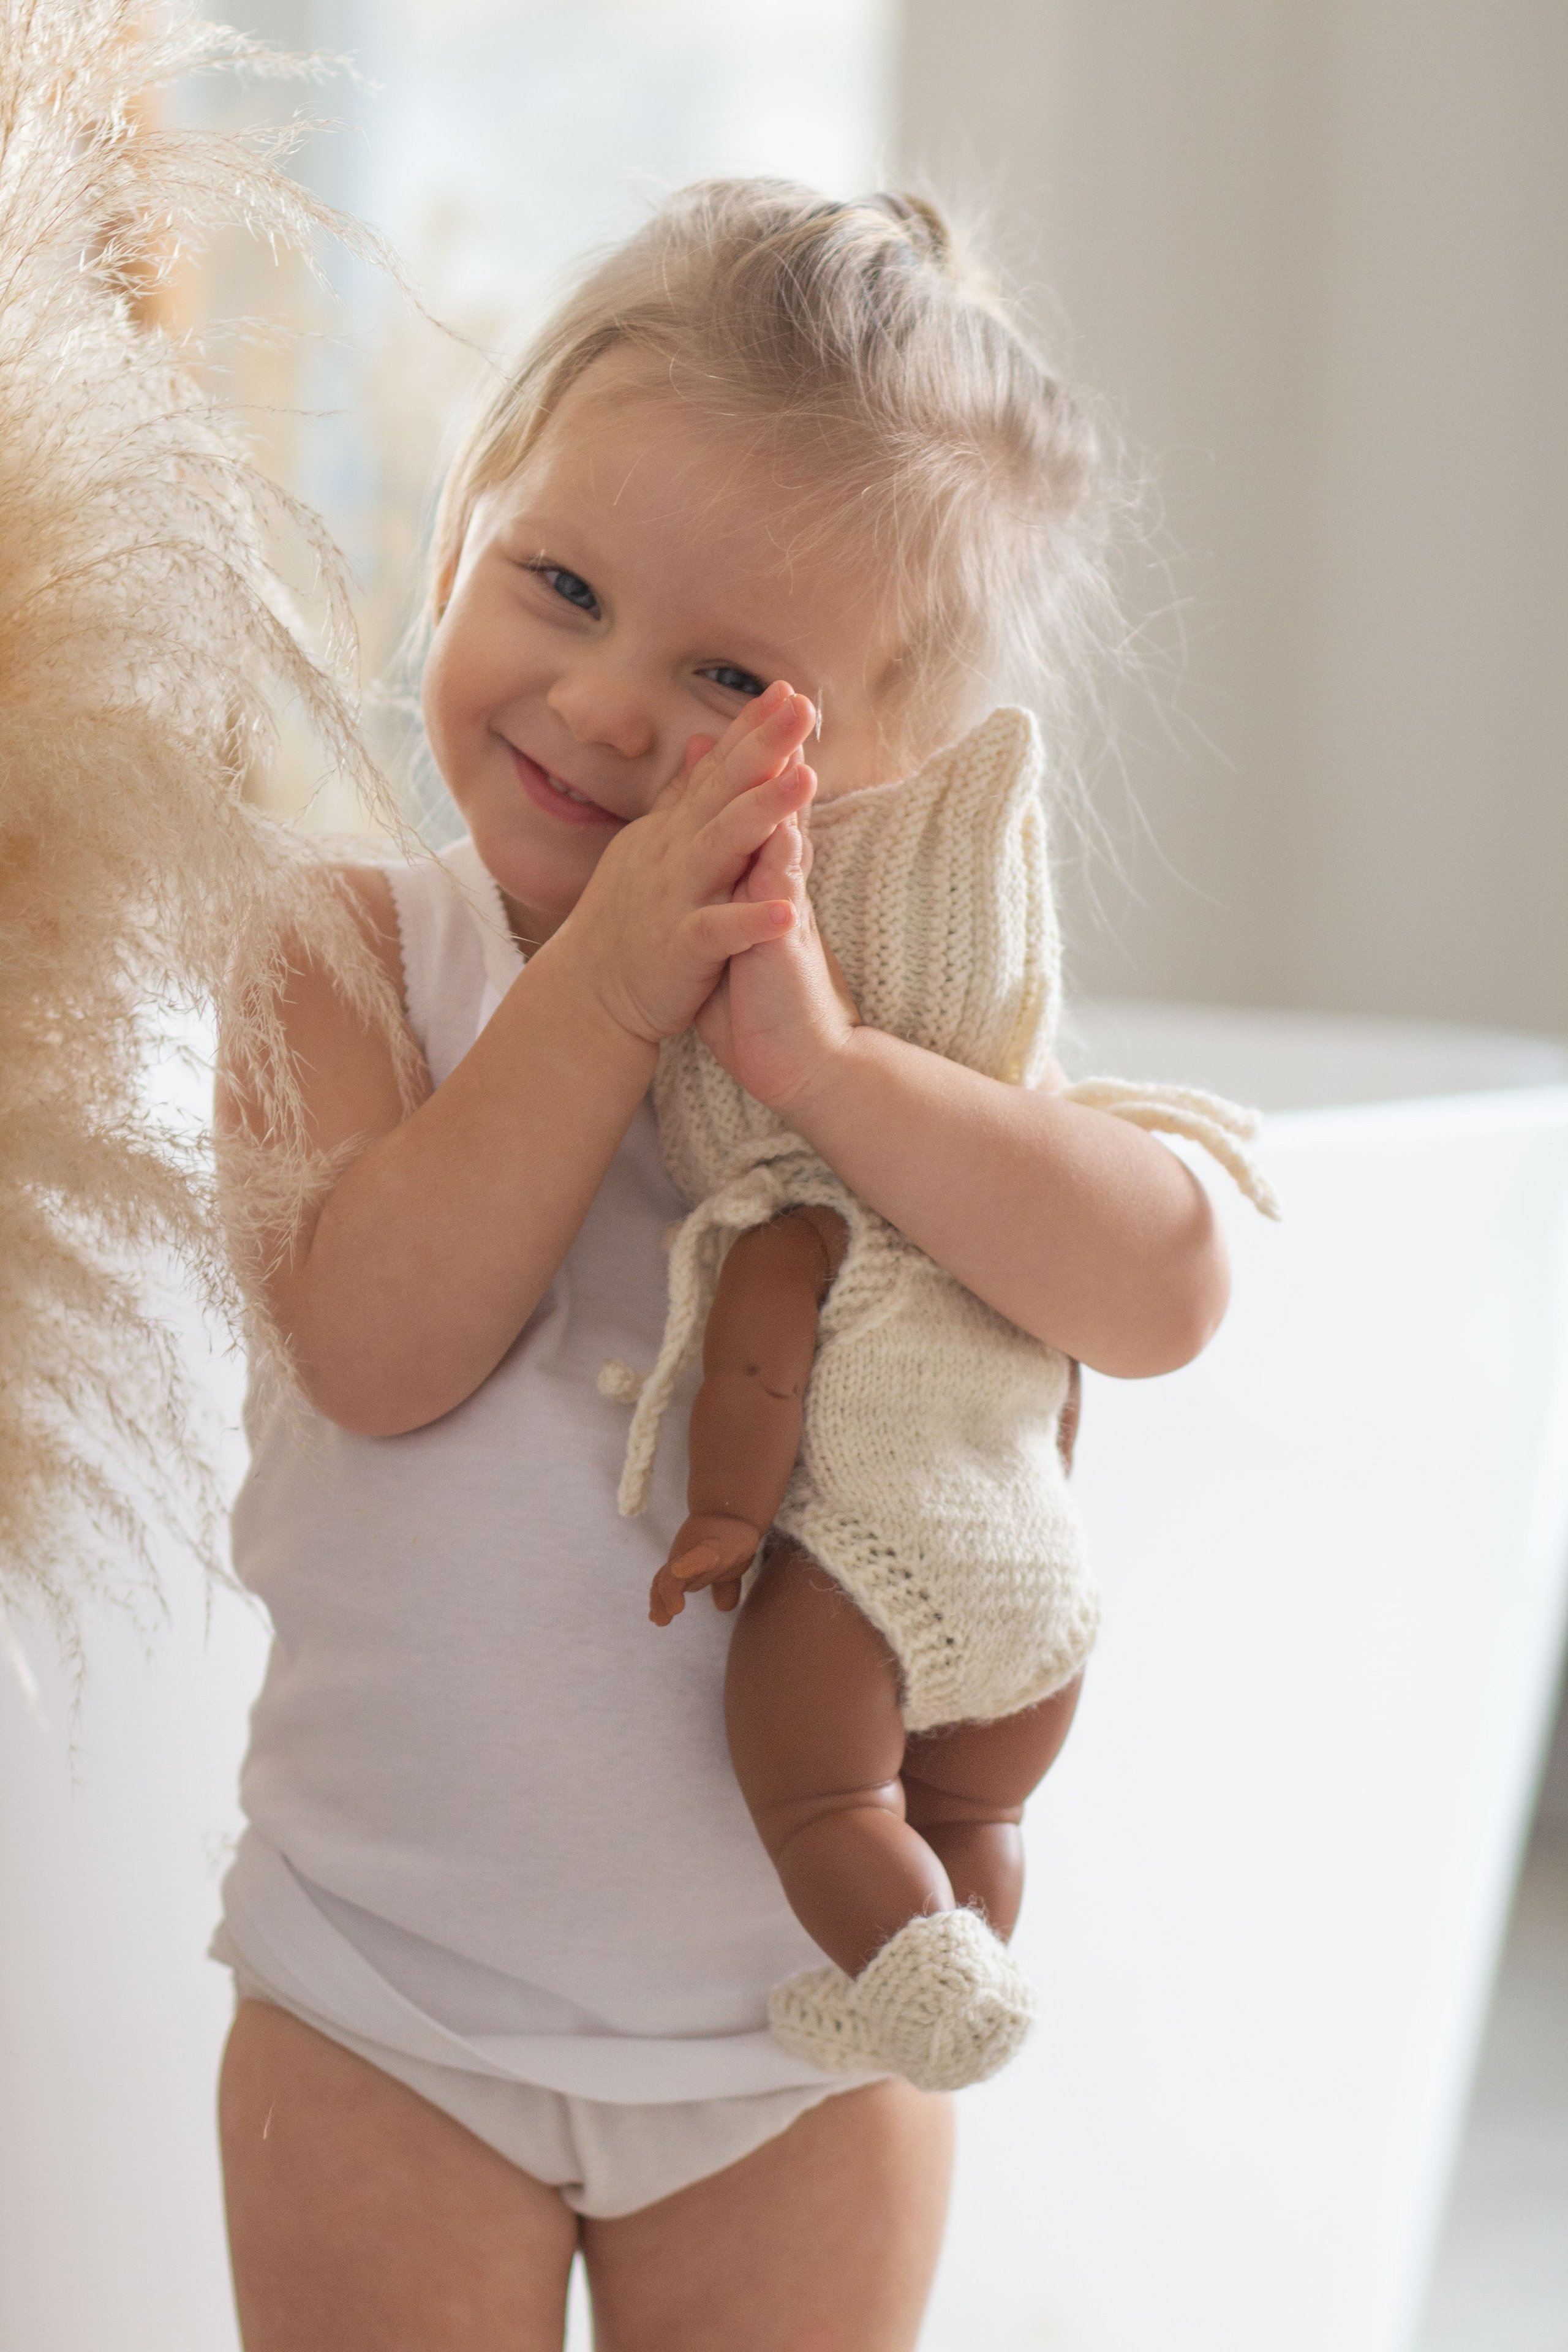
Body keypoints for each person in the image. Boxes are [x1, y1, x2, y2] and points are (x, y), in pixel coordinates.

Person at [213, 181, 1234, 2352]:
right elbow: (374, 1349)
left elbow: (1164, 1294)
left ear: (903, 781)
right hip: (387, 1996)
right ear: (471, 527)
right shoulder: (352, 956)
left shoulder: (905, 1049)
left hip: (802, 2037)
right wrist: (593, 1002)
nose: (593, 701)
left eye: (727, 680)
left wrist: (849, 1078)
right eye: (558, 580)